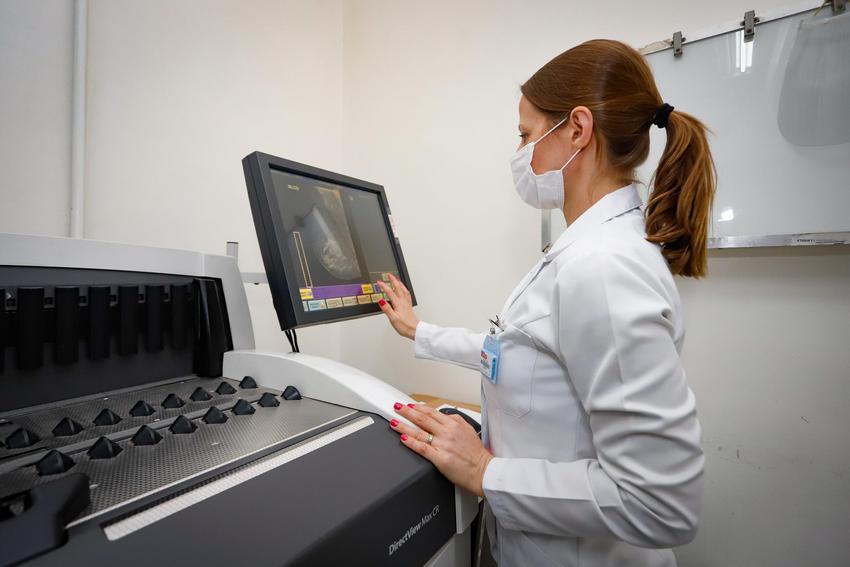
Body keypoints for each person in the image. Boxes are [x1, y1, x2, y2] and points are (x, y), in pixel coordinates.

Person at [377, 39, 712, 566]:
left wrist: (484, 472)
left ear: (577, 130)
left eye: (526, 134)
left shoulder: (603, 268)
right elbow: (520, 355)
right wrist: (420, 331)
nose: (520, 152)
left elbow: (659, 504)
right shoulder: (586, 252)